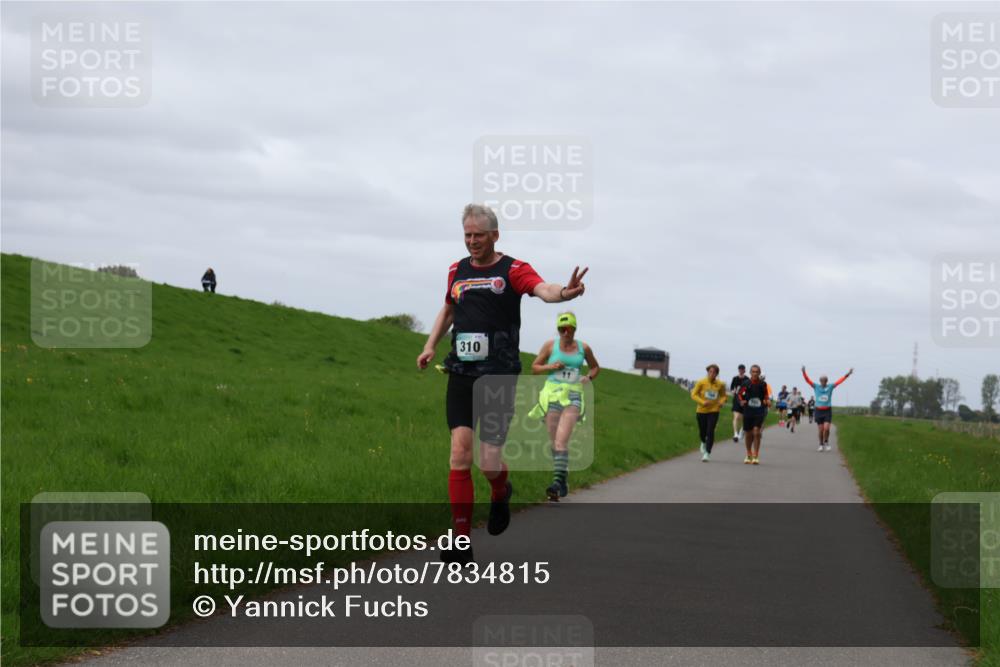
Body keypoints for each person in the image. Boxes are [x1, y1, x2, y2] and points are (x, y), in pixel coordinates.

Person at [417, 204, 588, 564]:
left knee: (488, 459)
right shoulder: (456, 271)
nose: (472, 241)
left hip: (498, 377)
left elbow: (542, 289)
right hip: (461, 372)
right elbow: (448, 309)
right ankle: (460, 540)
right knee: (460, 453)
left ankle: (500, 491)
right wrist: (430, 345)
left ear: (495, 235)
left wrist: (565, 293)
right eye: (467, 235)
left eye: (479, 235)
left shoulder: (513, 269)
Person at [529, 312, 600, 500]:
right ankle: (562, 478)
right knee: (555, 443)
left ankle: (555, 484)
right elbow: (534, 367)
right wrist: (550, 368)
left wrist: (589, 377)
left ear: (575, 329)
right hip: (552, 395)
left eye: (569, 329)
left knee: (561, 441)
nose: (565, 332)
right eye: (562, 329)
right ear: (558, 330)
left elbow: (595, 367)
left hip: (573, 395)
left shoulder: (583, 348)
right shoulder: (550, 346)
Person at [802, 366, 854, 451]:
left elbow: (840, 381)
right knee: (821, 429)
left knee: (826, 428)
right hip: (818, 410)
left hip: (827, 410)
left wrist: (848, 374)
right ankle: (821, 444)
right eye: (822, 381)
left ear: (827, 381)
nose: (823, 382)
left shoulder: (830, 386)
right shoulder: (816, 386)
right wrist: (804, 372)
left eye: (824, 381)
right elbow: (808, 380)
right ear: (820, 381)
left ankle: (826, 441)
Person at [690, 364, 728, 462]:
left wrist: (721, 402)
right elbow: (693, 394)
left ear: (717, 374)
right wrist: (702, 402)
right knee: (703, 431)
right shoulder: (701, 382)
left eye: (714, 372)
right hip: (701, 410)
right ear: (707, 372)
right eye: (710, 372)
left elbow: (724, 396)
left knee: (710, 431)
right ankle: (703, 441)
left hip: (714, 410)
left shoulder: (720, 384)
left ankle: (707, 453)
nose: (712, 374)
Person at [737, 365, 770, 464]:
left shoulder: (763, 384)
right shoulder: (746, 383)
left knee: (756, 432)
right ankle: (748, 454)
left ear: (759, 373)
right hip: (748, 411)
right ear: (750, 373)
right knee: (748, 434)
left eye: (757, 372)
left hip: (759, 411)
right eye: (753, 371)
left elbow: (766, 395)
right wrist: (741, 401)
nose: (755, 373)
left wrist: (767, 401)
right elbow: (739, 395)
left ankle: (755, 455)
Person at [730, 364, 748, 442]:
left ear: (744, 370)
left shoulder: (747, 379)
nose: (741, 370)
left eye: (742, 369)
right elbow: (731, 388)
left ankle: (741, 431)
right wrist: (733, 391)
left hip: (744, 400)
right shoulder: (735, 378)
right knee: (736, 417)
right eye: (739, 369)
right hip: (736, 399)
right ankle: (735, 434)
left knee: (744, 419)